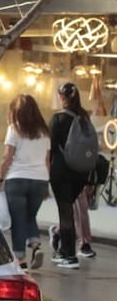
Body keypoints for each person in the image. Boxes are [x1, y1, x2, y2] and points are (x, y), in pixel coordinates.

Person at [0, 94, 50, 270]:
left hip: (17, 179)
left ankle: (21, 260)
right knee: (30, 216)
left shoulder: (14, 129)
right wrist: (47, 184)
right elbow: (47, 161)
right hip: (40, 180)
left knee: (18, 220)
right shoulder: (44, 132)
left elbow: (7, 157)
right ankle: (36, 246)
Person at [48, 81, 93, 269]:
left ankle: (69, 255)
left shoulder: (58, 119)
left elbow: (50, 148)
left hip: (62, 171)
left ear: (62, 97)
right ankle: (64, 251)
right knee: (68, 211)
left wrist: (47, 171)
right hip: (80, 173)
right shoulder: (84, 119)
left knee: (65, 213)